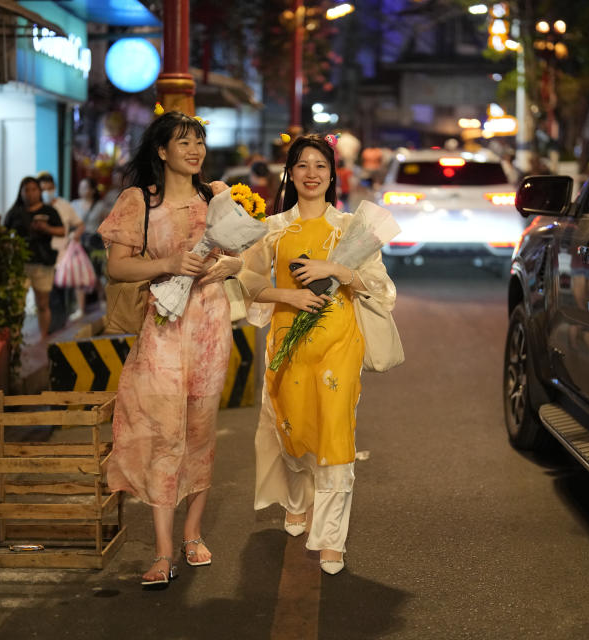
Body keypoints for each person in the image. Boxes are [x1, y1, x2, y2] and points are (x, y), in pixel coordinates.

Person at [237, 134, 397, 575]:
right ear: (290, 173)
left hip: (339, 343)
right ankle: (296, 499)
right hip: (288, 342)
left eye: (320, 166)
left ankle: (330, 539)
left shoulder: (351, 228)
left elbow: (380, 288)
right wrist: (285, 292)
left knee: (335, 433)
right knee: (293, 429)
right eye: (302, 165)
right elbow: (248, 284)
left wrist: (335, 270)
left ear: (332, 174)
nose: (311, 173)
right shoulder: (272, 228)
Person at [97, 111, 241, 588]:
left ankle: (193, 534)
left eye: (199, 141)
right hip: (162, 325)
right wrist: (169, 262)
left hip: (210, 327)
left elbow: (246, 254)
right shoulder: (139, 201)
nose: (194, 150)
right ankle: (162, 551)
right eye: (183, 142)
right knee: (162, 431)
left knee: (200, 430)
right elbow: (118, 267)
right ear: (162, 152)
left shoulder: (217, 197)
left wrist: (229, 266)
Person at [2, 176, 65, 338]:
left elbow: (62, 231)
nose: (30, 193)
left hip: (42, 263)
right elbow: (3, 234)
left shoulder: (48, 211)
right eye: (26, 190)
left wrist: (46, 228)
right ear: (21, 192)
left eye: (33, 189)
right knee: (16, 304)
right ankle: (15, 338)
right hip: (19, 264)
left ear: (39, 191)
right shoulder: (15, 212)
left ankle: (43, 336)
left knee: (42, 303)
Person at [37, 172, 86, 326]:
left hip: (63, 255)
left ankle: (58, 324)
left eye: (49, 188)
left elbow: (79, 225)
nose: (46, 193)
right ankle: (50, 326)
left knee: (59, 292)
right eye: (43, 189)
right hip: (42, 256)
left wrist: (74, 236)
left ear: (54, 188)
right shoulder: (36, 207)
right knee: (46, 294)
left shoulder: (64, 206)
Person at [71, 177, 111, 305]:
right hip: (78, 243)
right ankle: (80, 308)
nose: (82, 190)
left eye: (85, 187)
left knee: (96, 273)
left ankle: (102, 299)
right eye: (80, 187)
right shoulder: (74, 205)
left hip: (94, 243)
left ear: (93, 190)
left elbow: (105, 225)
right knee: (79, 273)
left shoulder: (100, 206)